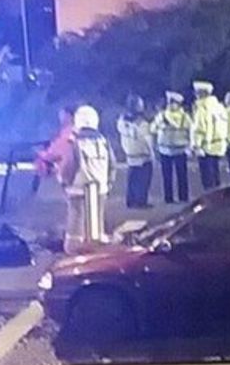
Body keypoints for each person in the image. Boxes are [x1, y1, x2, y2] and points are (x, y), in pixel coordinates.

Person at [58, 105, 116, 255]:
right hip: (100, 190)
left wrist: (64, 181)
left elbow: (69, 165)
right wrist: (108, 183)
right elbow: (112, 164)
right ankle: (95, 249)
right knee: (96, 221)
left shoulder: (75, 142)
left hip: (78, 190)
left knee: (76, 223)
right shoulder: (103, 141)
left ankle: (74, 252)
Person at [152, 91, 192, 204]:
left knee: (181, 176)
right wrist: (162, 125)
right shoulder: (162, 116)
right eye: (170, 102)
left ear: (178, 104)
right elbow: (152, 129)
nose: (171, 104)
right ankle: (169, 198)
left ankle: (183, 197)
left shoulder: (184, 116)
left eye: (173, 102)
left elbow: (190, 131)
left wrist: (190, 146)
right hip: (166, 149)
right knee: (168, 176)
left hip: (180, 149)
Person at [117, 94, 154, 209]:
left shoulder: (122, 121)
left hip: (130, 154)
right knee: (143, 180)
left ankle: (131, 200)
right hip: (143, 154)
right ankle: (140, 201)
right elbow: (147, 139)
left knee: (132, 178)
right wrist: (152, 153)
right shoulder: (141, 122)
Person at [192, 81, 228, 190]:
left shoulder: (202, 109)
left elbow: (199, 129)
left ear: (201, 93)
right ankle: (219, 200)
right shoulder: (219, 107)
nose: (195, 95)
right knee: (216, 173)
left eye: (197, 93)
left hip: (206, 147)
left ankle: (211, 202)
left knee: (207, 178)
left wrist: (196, 146)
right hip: (219, 144)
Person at [35, 105, 76, 180]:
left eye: (63, 115)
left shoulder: (69, 133)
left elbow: (57, 152)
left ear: (70, 116)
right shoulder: (63, 132)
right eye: (60, 115)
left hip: (62, 176)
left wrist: (41, 154)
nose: (61, 118)